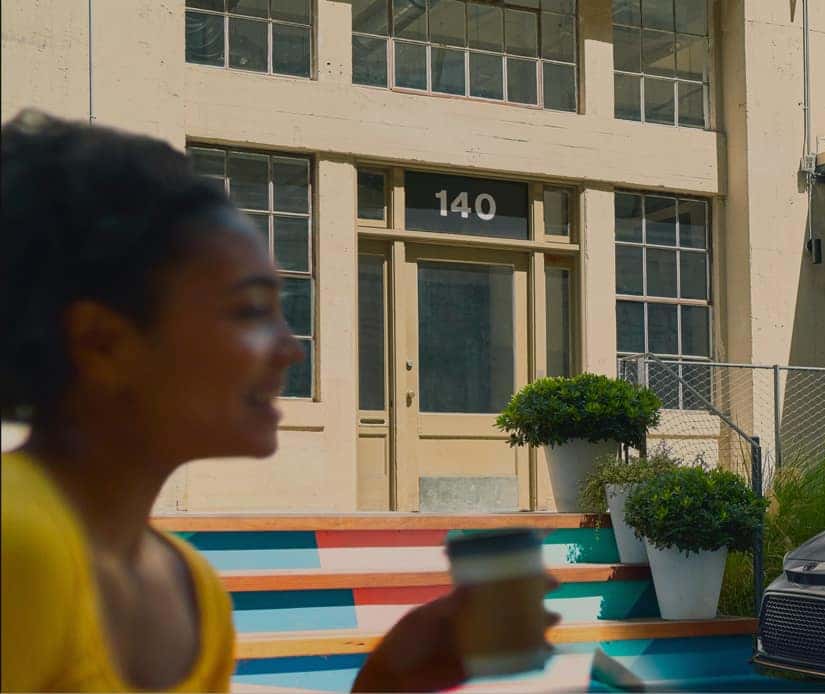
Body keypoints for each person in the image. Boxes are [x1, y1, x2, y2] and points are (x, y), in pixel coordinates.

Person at [0, 111, 556, 692]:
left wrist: (387, 683)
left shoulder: (193, 588)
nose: (290, 350)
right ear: (103, 342)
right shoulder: (19, 544)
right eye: (250, 311)